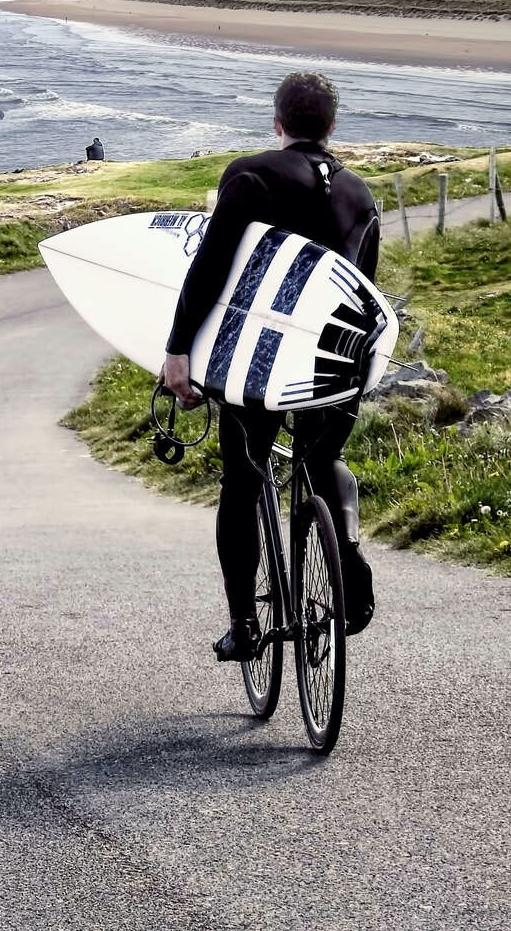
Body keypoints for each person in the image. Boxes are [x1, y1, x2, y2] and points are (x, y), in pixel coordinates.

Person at [160, 72, 380, 662]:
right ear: (332, 125)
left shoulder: (251, 175)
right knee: (324, 459)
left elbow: (209, 269)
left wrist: (179, 350)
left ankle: (245, 624)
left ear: (277, 120)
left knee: (244, 477)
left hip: (260, 365)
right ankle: (348, 551)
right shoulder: (361, 195)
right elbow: (367, 296)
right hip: (333, 368)